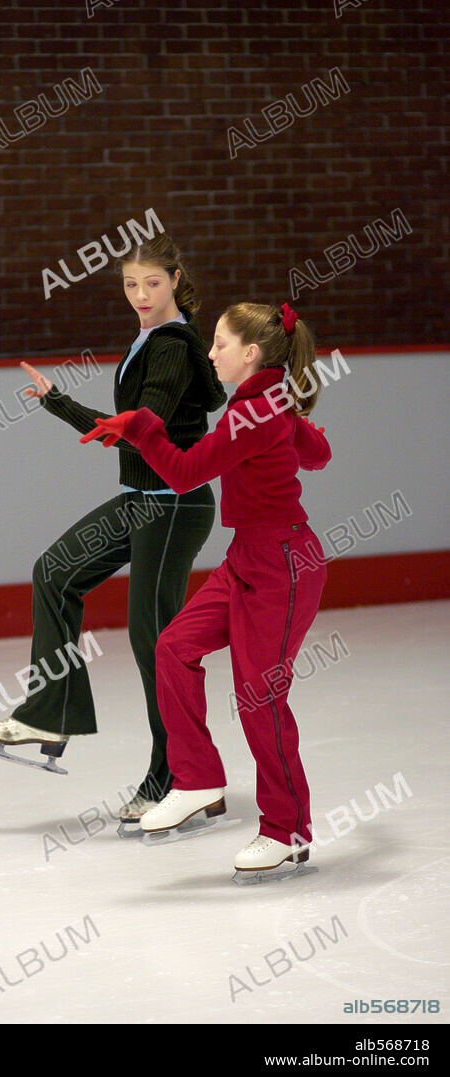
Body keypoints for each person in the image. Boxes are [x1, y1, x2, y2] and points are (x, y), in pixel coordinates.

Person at [0, 235, 227, 829]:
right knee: (55, 571)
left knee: (155, 641)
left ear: (175, 279)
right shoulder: (153, 339)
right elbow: (131, 428)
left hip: (175, 503)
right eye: (130, 285)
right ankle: (51, 710)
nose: (140, 295)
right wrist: (59, 402)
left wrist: (88, 412)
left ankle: (179, 775)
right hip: (141, 499)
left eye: (152, 284)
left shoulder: (169, 345)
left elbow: (148, 420)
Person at [81, 301, 332, 880]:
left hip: (282, 567)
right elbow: (317, 455)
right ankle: (196, 777)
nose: (210, 352)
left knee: (259, 697)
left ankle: (286, 831)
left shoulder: (253, 413)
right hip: (249, 557)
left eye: (219, 344)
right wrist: (301, 430)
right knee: (174, 647)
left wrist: (143, 426)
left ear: (251, 354)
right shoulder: (264, 405)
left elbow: (187, 472)